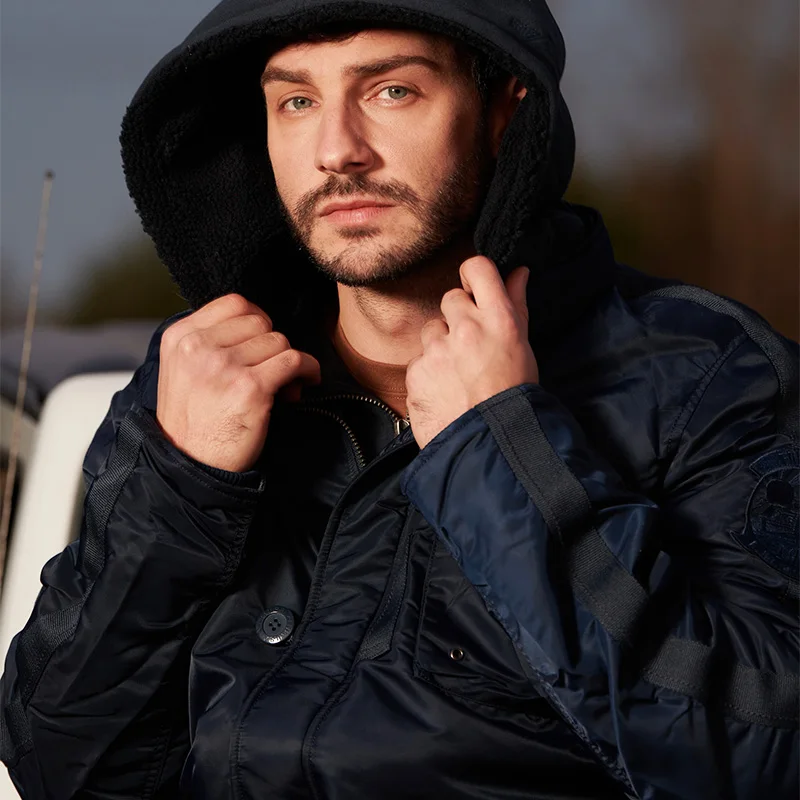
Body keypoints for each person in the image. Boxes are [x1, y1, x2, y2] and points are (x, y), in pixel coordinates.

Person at [1, 0, 797, 797]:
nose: (337, 151)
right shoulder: (201, 377)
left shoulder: (711, 376)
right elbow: (58, 765)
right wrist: (182, 487)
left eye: (392, 91)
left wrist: (500, 454)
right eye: (297, 101)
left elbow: (761, 755)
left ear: (504, 110)